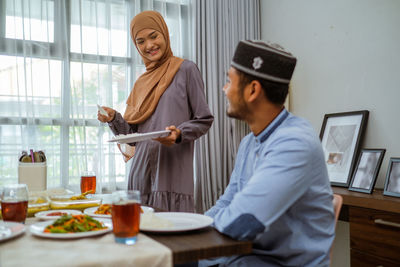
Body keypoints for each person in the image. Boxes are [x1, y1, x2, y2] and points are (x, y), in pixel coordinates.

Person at [201, 40, 335, 266]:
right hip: (244, 258)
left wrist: (193, 231)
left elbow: (242, 222)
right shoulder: (248, 143)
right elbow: (227, 203)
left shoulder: (295, 143)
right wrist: (186, 227)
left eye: (229, 81)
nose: (224, 89)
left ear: (253, 90)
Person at [98, 10, 213, 212]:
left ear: (165, 34)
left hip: (171, 174)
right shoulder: (141, 82)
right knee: (140, 239)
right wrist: (114, 118)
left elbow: (203, 119)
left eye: (154, 36)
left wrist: (179, 134)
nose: (149, 46)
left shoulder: (186, 70)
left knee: (173, 237)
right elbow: (133, 137)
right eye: (141, 41)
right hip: (140, 176)